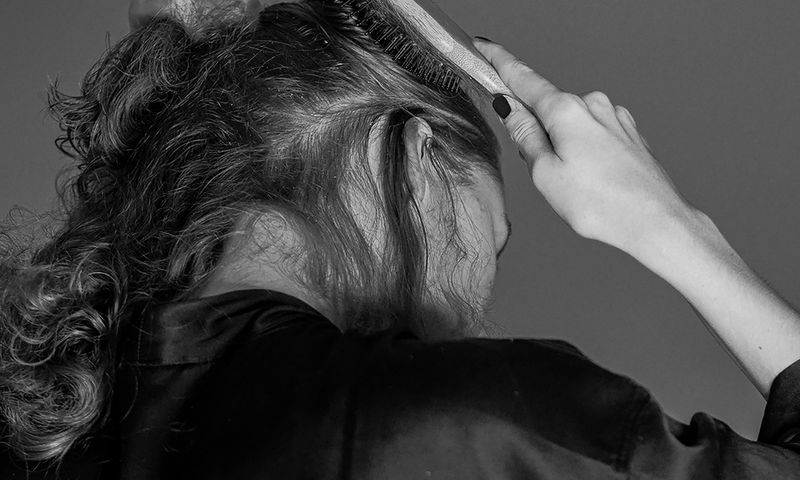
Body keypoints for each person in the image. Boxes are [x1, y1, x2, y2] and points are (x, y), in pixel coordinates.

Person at [0, 0, 798, 478]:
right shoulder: (460, 425)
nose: (475, 311)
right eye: (494, 242)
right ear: (415, 166)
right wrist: (677, 231)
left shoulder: (61, 437)